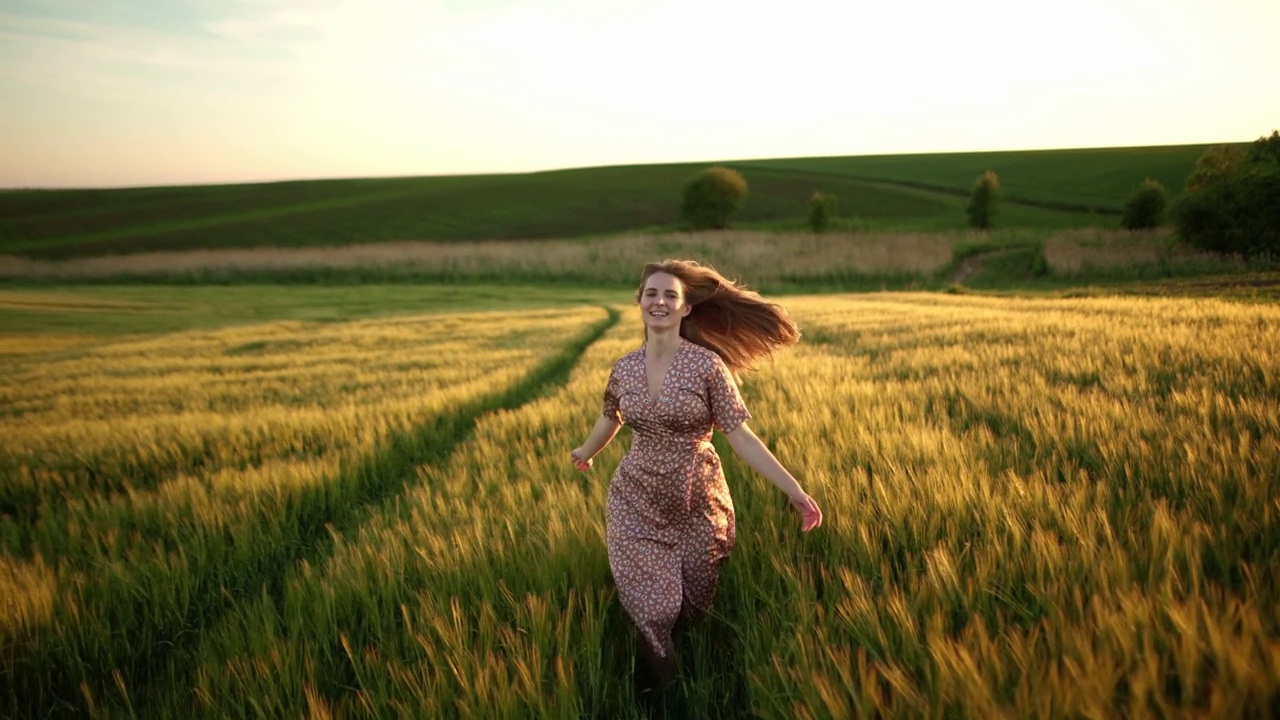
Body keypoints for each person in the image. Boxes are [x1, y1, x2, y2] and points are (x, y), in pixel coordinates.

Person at [570, 259, 823, 696]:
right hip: (637, 499)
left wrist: (795, 492)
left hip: (697, 502)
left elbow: (741, 436)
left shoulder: (707, 367)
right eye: (652, 293)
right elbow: (610, 417)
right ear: (639, 302)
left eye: (671, 295)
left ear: (686, 309)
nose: (660, 301)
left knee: (693, 605)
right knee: (654, 608)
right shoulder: (624, 368)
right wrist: (586, 452)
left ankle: (691, 669)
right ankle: (665, 693)